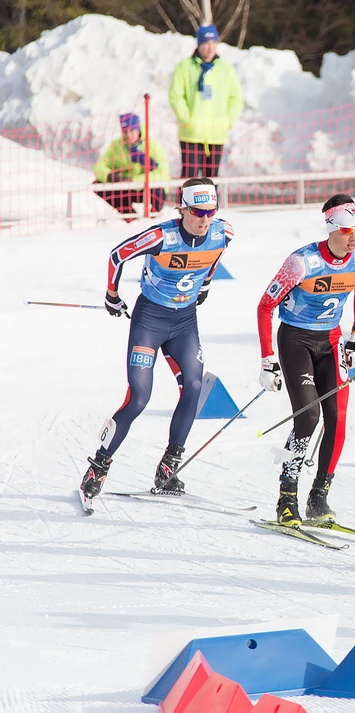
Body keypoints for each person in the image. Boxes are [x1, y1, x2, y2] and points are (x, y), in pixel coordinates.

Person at [78, 178, 233, 502]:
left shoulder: (223, 232)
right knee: (139, 398)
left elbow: (217, 254)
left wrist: (203, 286)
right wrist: (112, 295)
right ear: (183, 208)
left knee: (193, 386)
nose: (205, 218)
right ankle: (99, 466)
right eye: (198, 211)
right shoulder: (163, 236)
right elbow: (117, 255)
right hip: (149, 321)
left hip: (184, 322)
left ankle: (168, 468)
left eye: (211, 211)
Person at [256, 195, 355, 527]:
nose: (354, 237)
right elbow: (265, 307)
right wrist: (268, 360)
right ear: (332, 229)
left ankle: (319, 495)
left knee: (336, 419)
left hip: (331, 341)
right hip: (296, 340)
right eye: (348, 230)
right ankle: (287, 494)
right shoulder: (302, 262)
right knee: (308, 416)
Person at [168, 24, 244, 180]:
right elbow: (175, 96)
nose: (210, 48)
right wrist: (187, 120)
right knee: (190, 179)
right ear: (199, 44)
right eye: (206, 44)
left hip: (216, 133)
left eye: (213, 44)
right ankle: (185, 205)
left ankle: (211, 205)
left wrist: (228, 121)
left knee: (211, 180)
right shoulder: (184, 68)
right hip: (191, 134)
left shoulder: (226, 69)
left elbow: (236, 97)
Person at [92, 113, 169, 218]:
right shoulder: (116, 146)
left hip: (147, 188)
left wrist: (135, 181)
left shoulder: (153, 145)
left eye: (132, 130)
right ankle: (131, 218)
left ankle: (153, 219)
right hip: (126, 188)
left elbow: (163, 173)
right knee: (97, 184)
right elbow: (99, 166)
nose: (128, 135)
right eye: (125, 131)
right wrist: (110, 176)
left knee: (158, 190)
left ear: (138, 129)